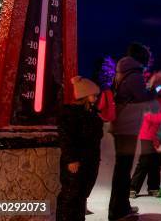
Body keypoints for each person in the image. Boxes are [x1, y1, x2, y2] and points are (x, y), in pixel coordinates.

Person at [108, 43, 156, 220]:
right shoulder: (134, 75)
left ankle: (122, 207)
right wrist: (154, 90)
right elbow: (143, 97)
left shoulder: (122, 72)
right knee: (122, 169)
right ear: (141, 57)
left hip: (121, 125)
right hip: (127, 127)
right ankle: (117, 212)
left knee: (122, 168)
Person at [56, 76, 103, 221]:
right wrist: (71, 159)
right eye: (93, 94)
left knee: (81, 196)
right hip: (76, 162)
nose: (96, 97)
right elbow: (66, 138)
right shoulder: (71, 114)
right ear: (84, 95)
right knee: (71, 195)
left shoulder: (92, 113)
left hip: (89, 161)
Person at [130, 72, 161, 197]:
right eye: (160, 84)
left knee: (156, 163)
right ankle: (133, 187)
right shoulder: (149, 98)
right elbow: (149, 116)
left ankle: (153, 187)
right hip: (148, 135)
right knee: (145, 161)